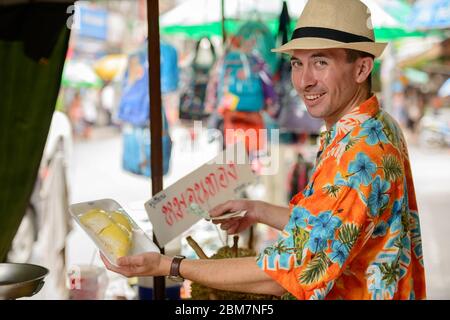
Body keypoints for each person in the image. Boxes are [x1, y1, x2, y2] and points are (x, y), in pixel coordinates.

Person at [101, 0, 426, 300]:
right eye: (297, 64)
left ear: (361, 69)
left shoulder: (361, 155)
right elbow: (327, 228)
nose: (303, 81)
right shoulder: (375, 123)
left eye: (321, 62)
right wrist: (256, 209)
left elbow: (287, 273)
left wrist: (169, 266)